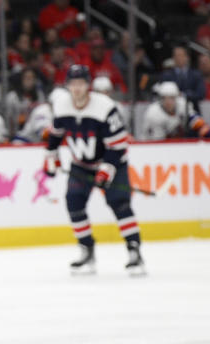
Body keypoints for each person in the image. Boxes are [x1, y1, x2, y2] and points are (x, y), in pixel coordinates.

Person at [44, 65, 144, 275]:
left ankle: (134, 251)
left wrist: (107, 168)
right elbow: (55, 135)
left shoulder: (105, 107)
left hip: (113, 162)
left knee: (120, 203)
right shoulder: (61, 105)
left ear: (88, 85)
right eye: (73, 84)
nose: (77, 88)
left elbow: (118, 145)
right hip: (81, 165)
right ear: (68, 85)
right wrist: (51, 156)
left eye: (81, 83)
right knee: (74, 202)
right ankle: (87, 250)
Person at [141, 81, 210, 141]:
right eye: (164, 98)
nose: (168, 102)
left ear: (176, 98)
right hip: (152, 146)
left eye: (171, 98)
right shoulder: (153, 113)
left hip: (177, 143)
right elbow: (157, 142)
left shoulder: (182, 105)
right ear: (160, 99)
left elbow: (197, 123)